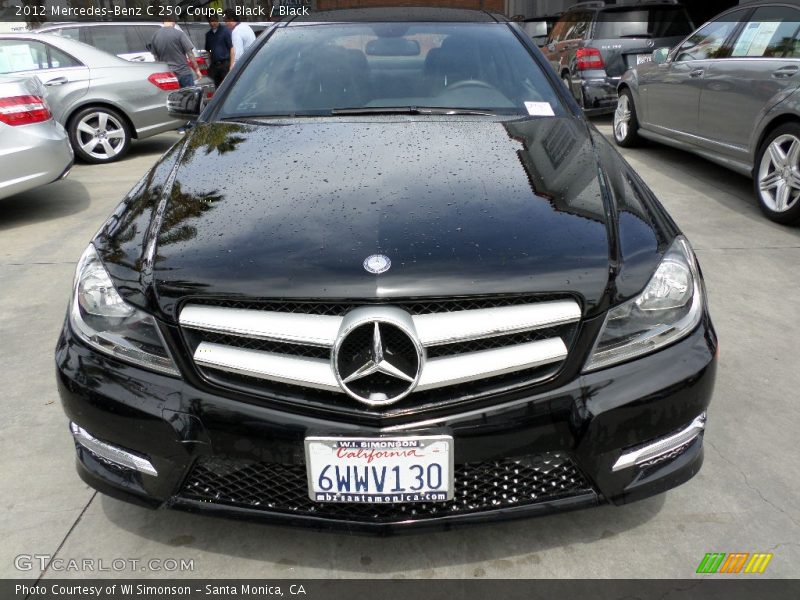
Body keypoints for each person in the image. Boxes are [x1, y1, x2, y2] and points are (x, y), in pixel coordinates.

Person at [149, 20, 201, 89]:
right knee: (190, 97)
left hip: (168, 76)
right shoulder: (179, 34)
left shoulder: (155, 36)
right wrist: (197, 70)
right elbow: (190, 53)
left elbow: (155, 57)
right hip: (184, 74)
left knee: (174, 98)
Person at [204, 16, 232, 88]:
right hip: (215, 65)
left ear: (217, 20)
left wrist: (231, 65)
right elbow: (208, 50)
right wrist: (209, 62)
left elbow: (231, 48)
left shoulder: (225, 31)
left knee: (227, 86)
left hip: (225, 64)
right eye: (210, 21)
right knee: (218, 87)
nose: (212, 23)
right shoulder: (208, 35)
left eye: (213, 21)